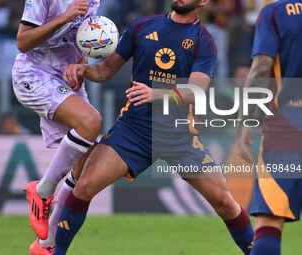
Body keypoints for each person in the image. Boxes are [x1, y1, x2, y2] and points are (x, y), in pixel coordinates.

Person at [53, 0, 255, 254]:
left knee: (226, 203)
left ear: (203, 2)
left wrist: (156, 93)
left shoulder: (204, 41)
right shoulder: (142, 26)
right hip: (134, 130)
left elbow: (196, 90)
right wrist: (81, 69)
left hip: (179, 136)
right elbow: (104, 71)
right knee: (84, 186)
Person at [12, 0, 102, 254]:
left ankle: (46, 245)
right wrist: (64, 17)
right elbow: (22, 41)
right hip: (34, 72)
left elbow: (79, 37)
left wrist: (82, 65)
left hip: (65, 76)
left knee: (85, 166)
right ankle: (41, 190)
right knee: (92, 121)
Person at [238, 1, 302, 255]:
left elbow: (262, 66)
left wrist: (246, 119)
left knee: (268, 225)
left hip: (285, 130)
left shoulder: (275, 13)